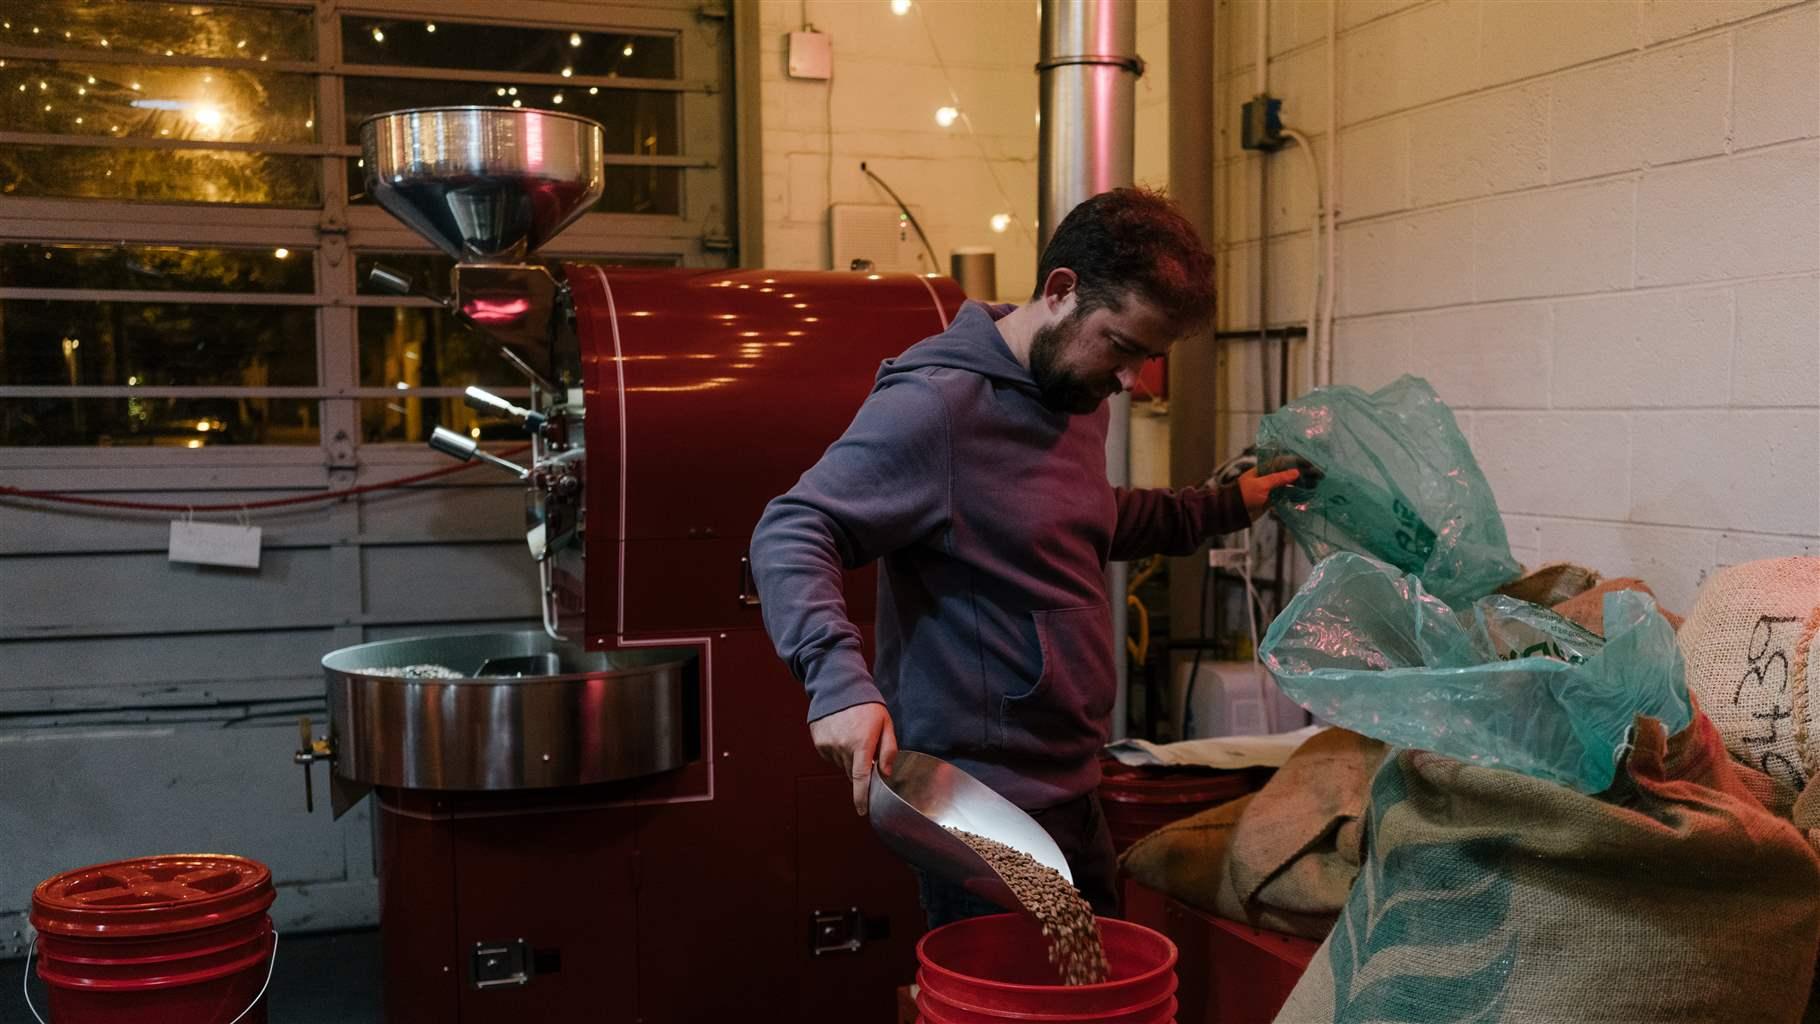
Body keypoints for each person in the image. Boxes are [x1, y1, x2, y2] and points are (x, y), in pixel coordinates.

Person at [750, 187, 1302, 927]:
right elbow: (793, 527)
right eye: (1124, 346)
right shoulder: (940, 406)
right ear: (1061, 290)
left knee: (1096, 991)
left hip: (1071, 783)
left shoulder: (1076, 394)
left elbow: (1087, 518)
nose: (1132, 381)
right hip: (980, 802)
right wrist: (838, 684)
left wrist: (1228, 505)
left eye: (1150, 357)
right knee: (1016, 1004)